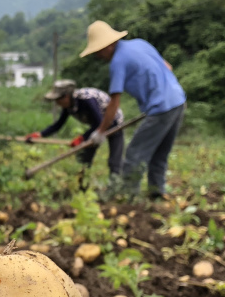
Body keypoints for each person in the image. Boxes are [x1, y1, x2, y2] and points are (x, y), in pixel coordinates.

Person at [80, 21, 187, 200]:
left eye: (99, 51)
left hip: (161, 107)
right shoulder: (140, 44)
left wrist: (100, 132)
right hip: (178, 100)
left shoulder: (118, 62)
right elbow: (168, 67)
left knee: (134, 153)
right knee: (159, 152)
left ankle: (129, 198)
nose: (98, 56)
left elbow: (114, 103)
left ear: (109, 45)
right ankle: (157, 193)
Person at [27, 79, 125, 182]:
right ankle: (82, 185)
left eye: (58, 99)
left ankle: (115, 187)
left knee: (114, 161)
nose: (56, 103)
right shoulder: (68, 106)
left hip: (114, 123)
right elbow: (58, 125)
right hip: (97, 126)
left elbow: (99, 122)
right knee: (84, 158)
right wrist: (40, 134)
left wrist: (82, 138)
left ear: (66, 96)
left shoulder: (87, 100)